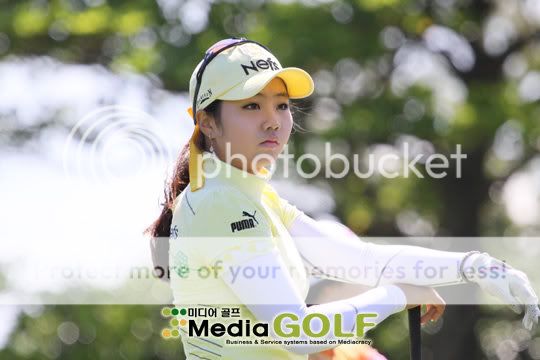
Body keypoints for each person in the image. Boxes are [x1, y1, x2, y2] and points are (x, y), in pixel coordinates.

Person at [145, 37, 540, 360]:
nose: (273, 120)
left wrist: (478, 267)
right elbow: (297, 334)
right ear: (207, 122)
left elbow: (359, 260)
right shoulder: (221, 202)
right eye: (251, 105)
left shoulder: (251, 196)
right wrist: (398, 295)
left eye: (281, 105)